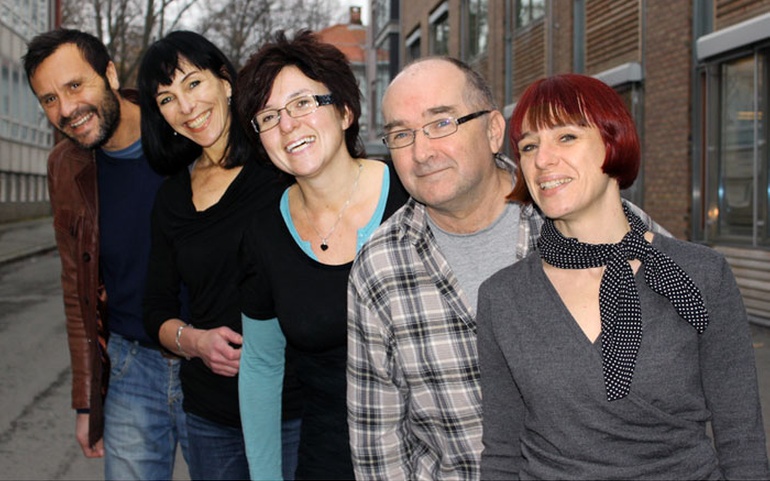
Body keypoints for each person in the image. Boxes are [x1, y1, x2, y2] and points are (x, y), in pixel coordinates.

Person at [347, 57, 669, 480]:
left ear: (494, 130)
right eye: (401, 134)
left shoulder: (592, 219)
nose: (421, 151)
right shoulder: (380, 265)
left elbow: (692, 366)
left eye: (441, 123)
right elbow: (378, 442)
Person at [476, 73, 770, 479]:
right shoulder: (502, 297)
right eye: (529, 146)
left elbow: (742, 441)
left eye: (566, 137)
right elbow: (502, 453)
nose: (542, 160)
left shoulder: (700, 276)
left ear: (613, 142)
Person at [234, 30, 408, 480]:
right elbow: (261, 365)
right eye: (268, 116)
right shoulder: (264, 234)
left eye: (302, 103)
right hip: (328, 458)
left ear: (346, 110)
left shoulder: (414, 195)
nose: (287, 125)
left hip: (436, 456)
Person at [22, 29, 189, 480]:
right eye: (49, 99)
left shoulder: (184, 130)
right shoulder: (65, 167)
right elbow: (77, 292)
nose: (66, 110)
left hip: (213, 363)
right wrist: (87, 401)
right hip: (131, 367)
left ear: (111, 74)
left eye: (75, 86)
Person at [137, 31, 300, 480]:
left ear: (225, 81)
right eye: (166, 98)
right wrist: (196, 342)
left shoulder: (282, 164)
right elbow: (155, 309)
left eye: (193, 83)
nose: (186, 107)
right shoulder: (170, 199)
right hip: (210, 418)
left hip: (294, 409)